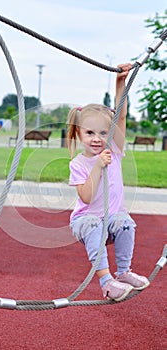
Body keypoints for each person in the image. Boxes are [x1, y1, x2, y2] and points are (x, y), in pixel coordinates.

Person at [67, 63, 150, 302]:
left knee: (126, 221)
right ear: (78, 134)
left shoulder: (114, 150)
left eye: (103, 133)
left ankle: (123, 272)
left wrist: (119, 82)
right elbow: (85, 197)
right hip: (86, 222)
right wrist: (98, 167)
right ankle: (106, 282)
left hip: (111, 220)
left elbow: (121, 115)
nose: (97, 139)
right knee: (93, 221)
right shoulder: (79, 164)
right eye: (90, 133)